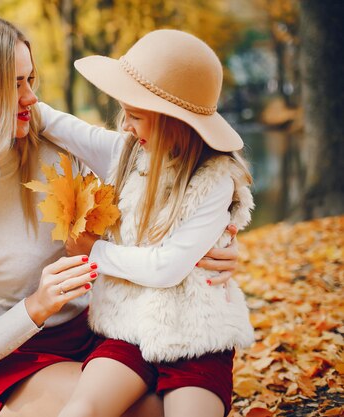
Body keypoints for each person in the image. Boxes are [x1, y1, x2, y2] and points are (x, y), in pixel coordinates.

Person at [0, 12, 240, 417]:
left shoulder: (53, 144)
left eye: (31, 79)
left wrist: (209, 243)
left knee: (183, 400)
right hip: (21, 353)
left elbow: (157, 189)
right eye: (14, 84)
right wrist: (37, 305)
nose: (31, 98)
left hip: (108, 330)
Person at [36, 30, 254, 417]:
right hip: (126, 329)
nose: (125, 126)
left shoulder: (214, 179)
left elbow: (167, 266)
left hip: (196, 338)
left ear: (174, 122)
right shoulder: (126, 154)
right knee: (84, 406)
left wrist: (94, 251)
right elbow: (62, 126)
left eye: (135, 116)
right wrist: (21, 96)